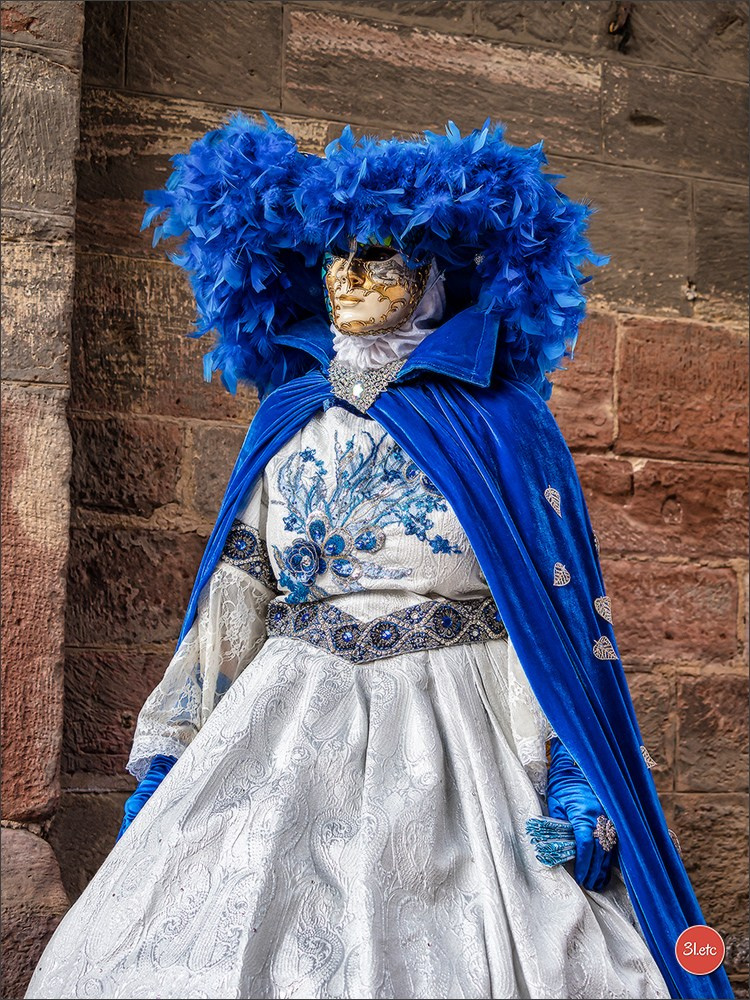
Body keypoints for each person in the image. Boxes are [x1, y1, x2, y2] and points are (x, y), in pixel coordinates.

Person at [25, 115, 733, 1000]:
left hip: (463, 729)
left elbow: (544, 615)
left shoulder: (502, 423)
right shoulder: (290, 414)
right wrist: (173, 754)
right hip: (287, 719)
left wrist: (574, 780)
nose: (348, 276)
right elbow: (239, 591)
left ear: (435, 275)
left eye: (377, 257)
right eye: (335, 257)